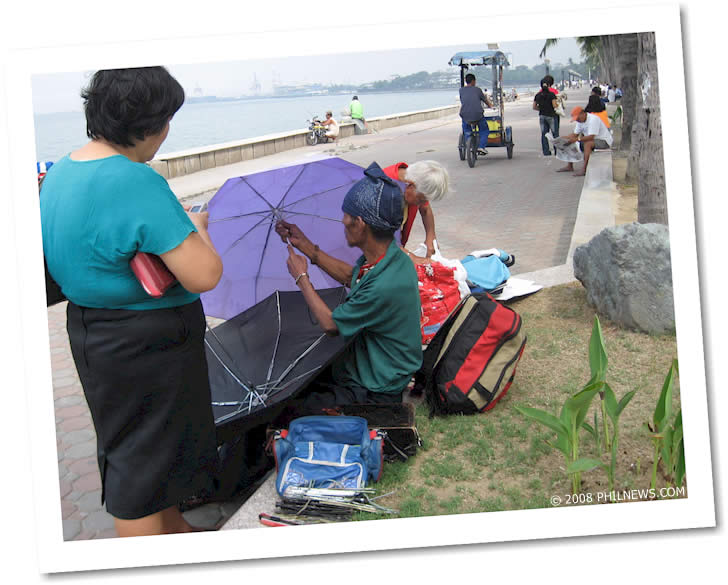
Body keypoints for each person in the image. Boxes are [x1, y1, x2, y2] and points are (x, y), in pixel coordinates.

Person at [40, 67, 223, 537]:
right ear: (147, 123)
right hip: (146, 343)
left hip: (92, 330)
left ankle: (177, 531)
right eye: (167, 120)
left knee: (139, 448)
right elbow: (204, 273)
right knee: (138, 472)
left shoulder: (61, 171)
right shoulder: (134, 180)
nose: (166, 133)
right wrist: (197, 230)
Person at [274, 163, 422, 410]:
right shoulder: (391, 258)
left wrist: (302, 278)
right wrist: (306, 246)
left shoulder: (385, 285)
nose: (343, 221)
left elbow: (331, 325)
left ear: (361, 224)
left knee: (288, 407)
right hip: (378, 369)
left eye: (347, 216)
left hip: (376, 388)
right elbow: (352, 276)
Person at [382, 160, 450, 259]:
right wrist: (414, 259)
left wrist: (431, 238)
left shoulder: (415, 181)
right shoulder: (383, 187)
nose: (422, 204)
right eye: (420, 200)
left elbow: (425, 210)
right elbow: (382, 241)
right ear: (410, 184)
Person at [557, 106, 613, 176]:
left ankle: (584, 169)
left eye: (578, 118)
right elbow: (575, 134)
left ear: (583, 114)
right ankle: (569, 165)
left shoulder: (593, 119)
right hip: (592, 140)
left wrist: (577, 139)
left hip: (603, 141)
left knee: (588, 144)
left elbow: (591, 137)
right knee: (569, 142)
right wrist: (564, 138)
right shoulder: (580, 121)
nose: (577, 120)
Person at [459, 73, 494, 156]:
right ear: (473, 81)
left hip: (465, 115)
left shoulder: (461, 90)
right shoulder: (477, 90)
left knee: (467, 130)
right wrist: (491, 106)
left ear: (466, 81)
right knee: (484, 130)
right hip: (478, 115)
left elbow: (464, 101)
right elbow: (485, 100)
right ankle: (481, 147)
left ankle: (469, 144)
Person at [533, 77, 560, 156]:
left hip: (542, 116)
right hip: (551, 115)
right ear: (548, 85)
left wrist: (541, 109)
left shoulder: (537, 95)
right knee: (555, 134)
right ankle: (557, 151)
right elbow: (554, 105)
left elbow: (534, 107)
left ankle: (546, 151)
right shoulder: (551, 95)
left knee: (544, 134)